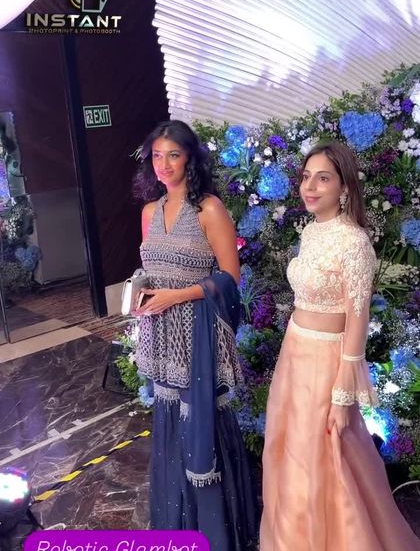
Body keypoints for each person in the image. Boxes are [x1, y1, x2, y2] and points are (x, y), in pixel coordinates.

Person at [260, 141, 420, 550]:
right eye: (306, 177)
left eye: (323, 178)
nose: (310, 187)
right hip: (295, 353)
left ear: (344, 187)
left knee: (325, 453)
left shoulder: (353, 242)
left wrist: (343, 392)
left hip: (326, 361)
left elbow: (358, 317)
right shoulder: (312, 231)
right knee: (291, 451)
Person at [133, 120, 258, 550]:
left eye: (173, 155)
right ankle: (178, 532)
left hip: (199, 336)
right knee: (169, 424)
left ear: (190, 158)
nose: (164, 165)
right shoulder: (149, 212)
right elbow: (152, 269)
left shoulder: (209, 209)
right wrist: (142, 293)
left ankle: (218, 534)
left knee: (203, 425)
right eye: (157, 156)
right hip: (162, 336)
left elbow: (230, 278)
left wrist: (177, 296)